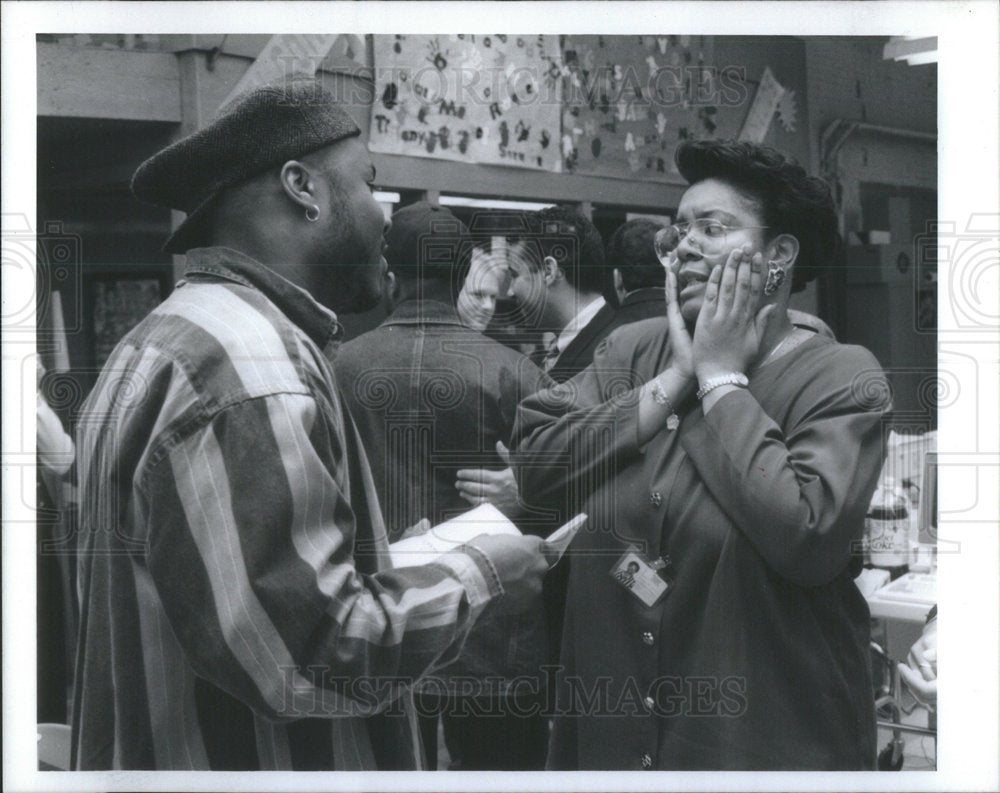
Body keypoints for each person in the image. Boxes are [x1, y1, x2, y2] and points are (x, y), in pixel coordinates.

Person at [71, 78, 548, 771]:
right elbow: (309, 654)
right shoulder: (250, 367)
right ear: (303, 187)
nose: (384, 215)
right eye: (368, 182)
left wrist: (385, 565)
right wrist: (479, 574)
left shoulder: (165, 338)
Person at [512, 139, 891, 770]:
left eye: (711, 229)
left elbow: (807, 536)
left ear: (779, 257)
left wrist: (719, 379)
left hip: (760, 740)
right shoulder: (635, 352)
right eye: (677, 231)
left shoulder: (840, 376)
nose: (684, 244)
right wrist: (670, 384)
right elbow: (534, 463)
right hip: (617, 730)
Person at [335, 202, 552, 770]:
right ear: (463, 278)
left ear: (390, 275)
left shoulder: (335, 369)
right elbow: (567, 494)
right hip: (493, 627)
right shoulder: (516, 372)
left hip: (379, 622)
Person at [504, 207, 608, 381]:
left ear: (548, 271)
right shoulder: (604, 340)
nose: (510, 292)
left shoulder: (610, 352)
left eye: (514, 274)